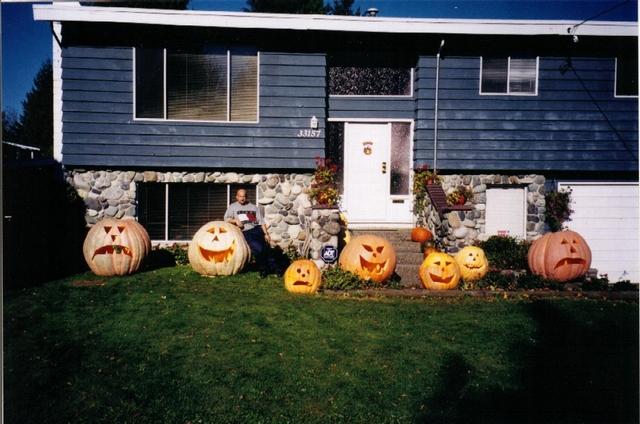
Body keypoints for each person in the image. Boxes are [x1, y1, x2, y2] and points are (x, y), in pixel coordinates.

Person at [224, 189, 274, 277]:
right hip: (246, 231)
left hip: (257, 229)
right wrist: (235, 221)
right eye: (240, 196)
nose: (242, 198)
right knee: (258, 249)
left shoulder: (253, 207)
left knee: (265, 249)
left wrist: (266, 234)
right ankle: (263, 270)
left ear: (246, 197)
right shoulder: (233, 207)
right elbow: (226, 219)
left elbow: (261, 222)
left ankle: (273, 269)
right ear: (237, 197)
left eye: (244, 196)